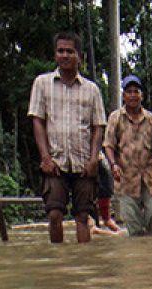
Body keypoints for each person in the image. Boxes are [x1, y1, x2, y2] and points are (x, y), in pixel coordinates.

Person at [29, 32, 106, 244]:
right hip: (55, 161)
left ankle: (84, 267)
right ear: (55, 55)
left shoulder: (92, 90)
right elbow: (38, 121)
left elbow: (98, 127)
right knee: (54, 214)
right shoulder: (42, 84)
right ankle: (58, 266)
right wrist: (45, 157)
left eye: (70, 51)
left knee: (83, 216)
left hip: (83, 162)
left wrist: (93, 160)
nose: (65, 55)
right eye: (60, 51)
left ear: (79, 56)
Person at [104, 75, 152, 235]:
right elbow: (108, 145)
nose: (133, 95)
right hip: (126, 179)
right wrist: (113, 164)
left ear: (142, 95)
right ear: (124, 95)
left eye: (136, 91)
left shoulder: (150, 119)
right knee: (134, 227)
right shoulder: (116, 118)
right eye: (129, 91)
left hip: (149, 178)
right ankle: (138, 255)